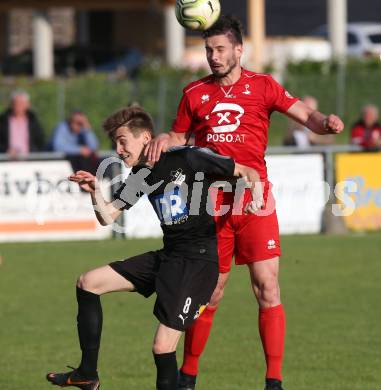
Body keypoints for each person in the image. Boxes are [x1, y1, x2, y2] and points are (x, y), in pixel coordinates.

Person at [145, 15, 344, 390]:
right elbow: (179, 134)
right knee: (212, 290)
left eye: (220, 49)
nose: (213, 56)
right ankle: (188, 375)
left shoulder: (264, 86)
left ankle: (273, 381)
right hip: (210, 202)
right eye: (208, 50)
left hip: (255, 199)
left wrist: (325, 123)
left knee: (267, 286)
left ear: (239, 49)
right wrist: (162, 138)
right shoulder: (194, 94)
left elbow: (305, 115)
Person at [46, 106, 263, 390]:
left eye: (123, 140)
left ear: (145, 138)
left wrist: (255, 198)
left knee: (162, 347)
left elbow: (248, 171)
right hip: (169, 256)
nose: (118, 149)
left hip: (198, 263)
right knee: (88, 283)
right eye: (115, 143)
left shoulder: (188, 156)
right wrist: (95, 191)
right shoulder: (141, 175)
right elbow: (108, 216)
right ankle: (87, 373)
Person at [0, 90, 45, 157]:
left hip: (29, 161)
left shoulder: (33, 121)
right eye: (16, 103)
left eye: (22, 103)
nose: (19, 106)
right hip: (6, 161)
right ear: (12, 104)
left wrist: (33, 153)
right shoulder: (2, 121)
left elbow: (40, 142)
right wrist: (6, 150)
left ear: (27, 104)